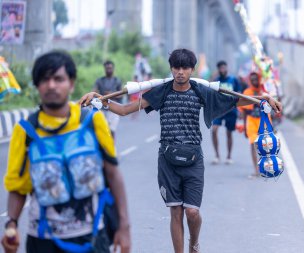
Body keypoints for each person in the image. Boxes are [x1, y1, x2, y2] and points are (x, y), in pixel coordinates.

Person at [78, 48, 282, 253]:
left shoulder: (201, 91)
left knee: (192, 212)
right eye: (176, 67)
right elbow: (124, 110)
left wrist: (261, 98)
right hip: (167, 159)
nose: (180, 72)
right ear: (171, 69)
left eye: (185, 68)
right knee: (175, 211)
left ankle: (194, 243)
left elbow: (235, 100)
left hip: (194, 158)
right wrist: (99, 99)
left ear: (192, 70)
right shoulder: (162, 91)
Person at [1, 51, 131, 253]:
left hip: (92, 238)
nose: (51, 85)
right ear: (37, 86)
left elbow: (113, 174)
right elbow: (18, 188)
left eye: (58, 79)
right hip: (42, 241)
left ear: (71, 83)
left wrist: (124, 226)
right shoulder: (25, 131)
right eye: (45, 79)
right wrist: (11, 224)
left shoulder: (92, 122)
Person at [211, 60, 242, 165]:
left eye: (224, 67)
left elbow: (239, 95)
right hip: (219, 109)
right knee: (214, 130)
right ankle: (217, 155)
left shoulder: (233, 80)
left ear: (227, 68)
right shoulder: (216, 81)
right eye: (220, 68)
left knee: (229, 133)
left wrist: (240, 110)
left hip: (231, 109)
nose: (222, 70)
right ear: (218, 69)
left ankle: (229, 156)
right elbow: (211, 93)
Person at [238, 72, 265, 178]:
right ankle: (256, 170)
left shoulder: (264, 91)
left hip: (263, 121)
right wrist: (244, 127)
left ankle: (262, 167)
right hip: (251, 121)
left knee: (263, 146)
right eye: (252, 79)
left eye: (256, 79)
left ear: (259, 79)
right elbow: (244, 111)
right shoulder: (247, 92)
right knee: (253, 144)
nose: (254, 81)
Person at [93, 60, 123, 137]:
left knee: (112, 131)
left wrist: (111, 95)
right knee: (102, 131)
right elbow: (94, 92)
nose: (109, 70)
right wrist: (100, 95)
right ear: (104, 69)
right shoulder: (100, 80)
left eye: (110, 68)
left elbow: (122, 94)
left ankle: (111, 148)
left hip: (114, 109)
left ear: (113, 68)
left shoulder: (117, 81)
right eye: (107, 68)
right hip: (102, 109)